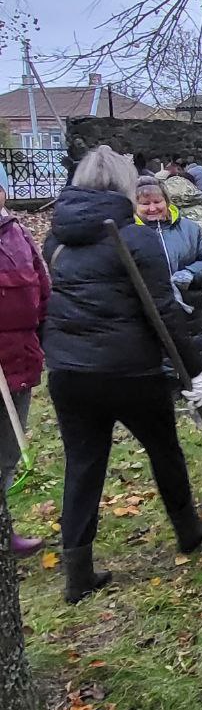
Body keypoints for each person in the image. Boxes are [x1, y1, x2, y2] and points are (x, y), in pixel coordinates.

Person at [42, 146, 202, 603]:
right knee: (164, 448)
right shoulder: (134, 240)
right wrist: (194, 373)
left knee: (83, 465)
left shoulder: (56, 240)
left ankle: (76, 570)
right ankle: (188, 528)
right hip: (129, 371)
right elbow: (164, 313)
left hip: (68, 370)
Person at [135, 176, 202, 457]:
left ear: (167, 202)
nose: (153, 208)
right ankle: (164, 452)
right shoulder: (129, 235)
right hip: (149, 320)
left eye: (157, 201)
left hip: (191, 316)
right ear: (135, 206)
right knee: (158, 389)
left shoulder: (189, 229)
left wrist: (191, 274)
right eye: (145, 204)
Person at [0, 164, 51, 557]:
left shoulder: (16, 234)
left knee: (7, 451)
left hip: (19, 359)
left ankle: (3, 531)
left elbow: (42, 288)